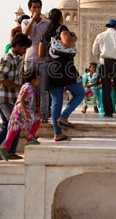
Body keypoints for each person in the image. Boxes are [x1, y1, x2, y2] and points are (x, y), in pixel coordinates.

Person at [0, 33, 32, 161]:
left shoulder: (15, 59)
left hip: (8, 97)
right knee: (13, 123)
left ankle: (2, 151)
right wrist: (17, 87)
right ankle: (1, 151)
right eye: (24, 48)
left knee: (10, 124)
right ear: (18, 45)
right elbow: (0, 77)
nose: (25, 51)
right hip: (3, 97)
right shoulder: (8, 58)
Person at [42, 8, 84, 141]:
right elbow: (67, 41)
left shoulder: (45, 34)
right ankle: (64, 116)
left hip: (49, 68)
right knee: (80, 93)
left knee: (56, 101)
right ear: (61, 18)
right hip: (64, 68)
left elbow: (40, 54)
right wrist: (74, 37)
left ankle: (57, 133)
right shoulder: (61, 28)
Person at [92, 18, 116, 117]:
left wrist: (99, 57)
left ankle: (108, 112)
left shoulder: (100, 35)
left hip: (104, 63)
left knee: (106, 89)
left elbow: (94, 51)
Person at [0, 71, 41, 161]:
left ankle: (5, 149)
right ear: (34, 79)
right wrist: (25, 111)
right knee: (36, 120)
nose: (39, 81)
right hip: (21, 111)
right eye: (38, 79)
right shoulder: (28, 86)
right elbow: (22, 98)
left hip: (19, 111)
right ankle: (29, 139)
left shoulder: (27, 85)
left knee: (14, 130)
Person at [22, 0, 51, 123]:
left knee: (44, 90)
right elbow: (24, 35)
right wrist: (33, 19)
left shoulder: (47, 23)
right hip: (30, 59)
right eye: (34, 7)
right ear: (30, 9)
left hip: (43, 59)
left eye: (38, 7)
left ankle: (44, 116)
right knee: (30, 89)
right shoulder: (25, 21)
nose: (36, 9)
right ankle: (31, 115)